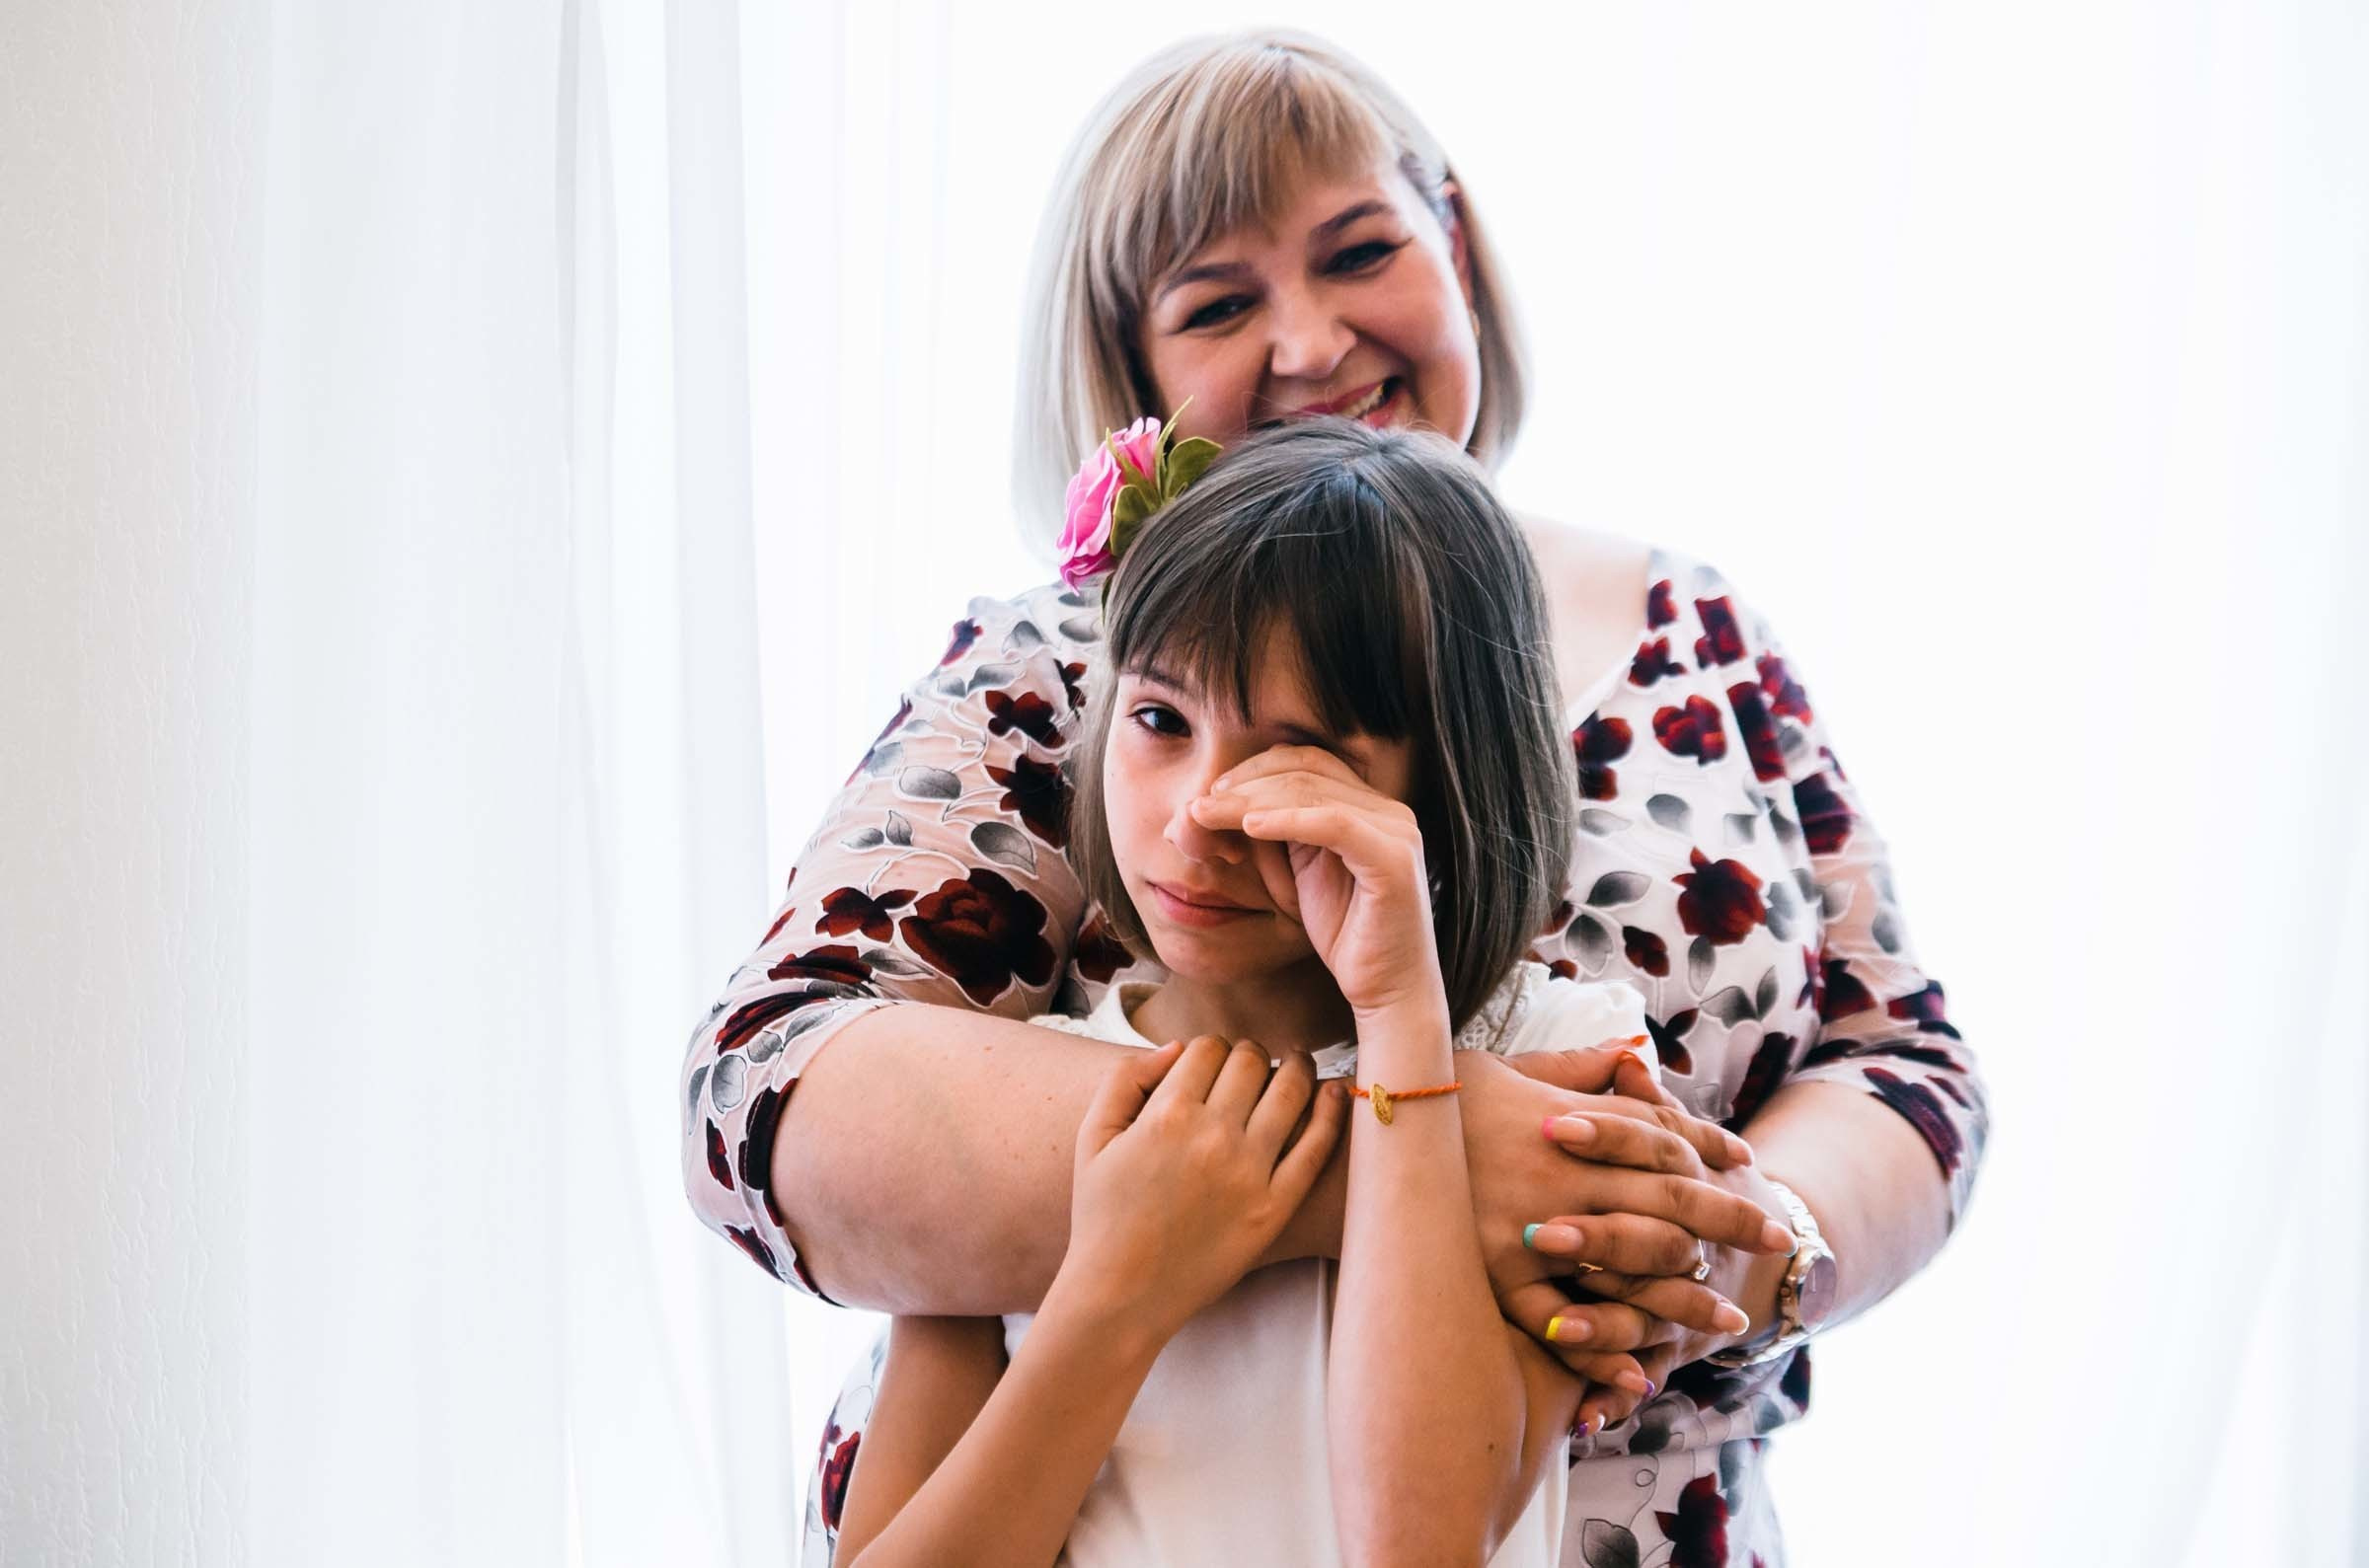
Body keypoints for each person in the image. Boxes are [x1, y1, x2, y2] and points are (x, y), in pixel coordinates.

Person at [680, 30, 1987, 1565]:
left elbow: (1904, 1060)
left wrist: (1729, 1236)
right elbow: (776, 1086)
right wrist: (1404, 1155)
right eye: (1221, 303)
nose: (1308, 344)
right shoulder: (1063, 662)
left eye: (1360, 251)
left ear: (1457, 246)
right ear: (1136, 376)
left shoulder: (1696, 627)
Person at [829, 419, 1796, 1567]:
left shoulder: (1559, 1063)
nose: (1200, 813)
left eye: (1296, 761)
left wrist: (1399, 1025)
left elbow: (1421, 1542)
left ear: (1443, 785)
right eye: (1159, 721)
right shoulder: (1028, 1104)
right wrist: (1117, 1291)